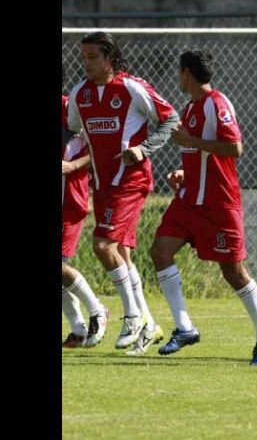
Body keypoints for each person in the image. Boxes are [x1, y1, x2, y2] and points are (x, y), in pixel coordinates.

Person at [149, 50, 257, 365]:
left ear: (186, 74)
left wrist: (192, 141)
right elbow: (199, 150)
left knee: (232, 271)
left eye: (178, 73)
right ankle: (184, 328)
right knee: (160, 251)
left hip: (219, 202)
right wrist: (185, 170)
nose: (177, 78)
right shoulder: (190, 106)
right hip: (190, 199)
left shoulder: (217, 104)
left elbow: (235, 147)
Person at [64, 31, 180, 355]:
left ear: (109, 58)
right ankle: (148, 323)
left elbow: (170, 119)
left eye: (92, 57)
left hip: (130, 181)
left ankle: (131, 317)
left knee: (102, 244)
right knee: (123, 254)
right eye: (83, 57)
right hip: (101, 184)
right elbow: (77, 131)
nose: (86, 63)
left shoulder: (131, 88)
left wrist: (143, 149)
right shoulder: (80, 95)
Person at [61, 64, 109, 348]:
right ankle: (78, 329)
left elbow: (99, 146)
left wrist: (71, 166)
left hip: (70, 200)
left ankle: (97, 310)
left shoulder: (72, 108)